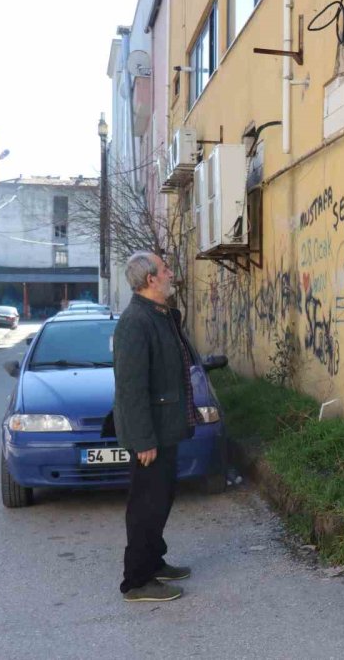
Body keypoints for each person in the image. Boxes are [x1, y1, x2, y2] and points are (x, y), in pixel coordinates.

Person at [107, 251, 196, 602]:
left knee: (160, 500)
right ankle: (137, 580)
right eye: (165, 269)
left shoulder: (159, 315)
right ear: (150, 280)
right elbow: (131, 388)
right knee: (146, 505)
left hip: (164, 430)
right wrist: (144, 439)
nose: (171, 273)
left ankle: (154, 561)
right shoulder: (135, 322)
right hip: (150, 436)